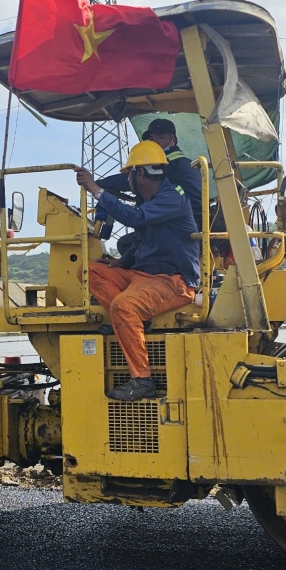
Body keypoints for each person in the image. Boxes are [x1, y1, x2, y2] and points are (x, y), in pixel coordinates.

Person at [76, 141, 200, 401]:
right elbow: (144, 238)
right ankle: (135, 323)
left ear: (140, 174)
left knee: (123, 306)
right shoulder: (151, 200)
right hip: (142, 276)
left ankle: (142, 380)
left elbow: (136, 219)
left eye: (129, 174)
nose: (128, 180)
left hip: (171, 281)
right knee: (89, 272)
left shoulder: (172, 197)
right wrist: (123, 261)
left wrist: (97, 191)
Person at [94, 118, 203, 234]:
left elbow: (129, 181)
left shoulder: (170, 164)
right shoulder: (186, 162)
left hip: (184, 226)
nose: (155, 142)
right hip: (183, 221)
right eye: (151, 139)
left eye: (160, 137)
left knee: (129, 244)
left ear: (173, 141)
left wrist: (96, 185)